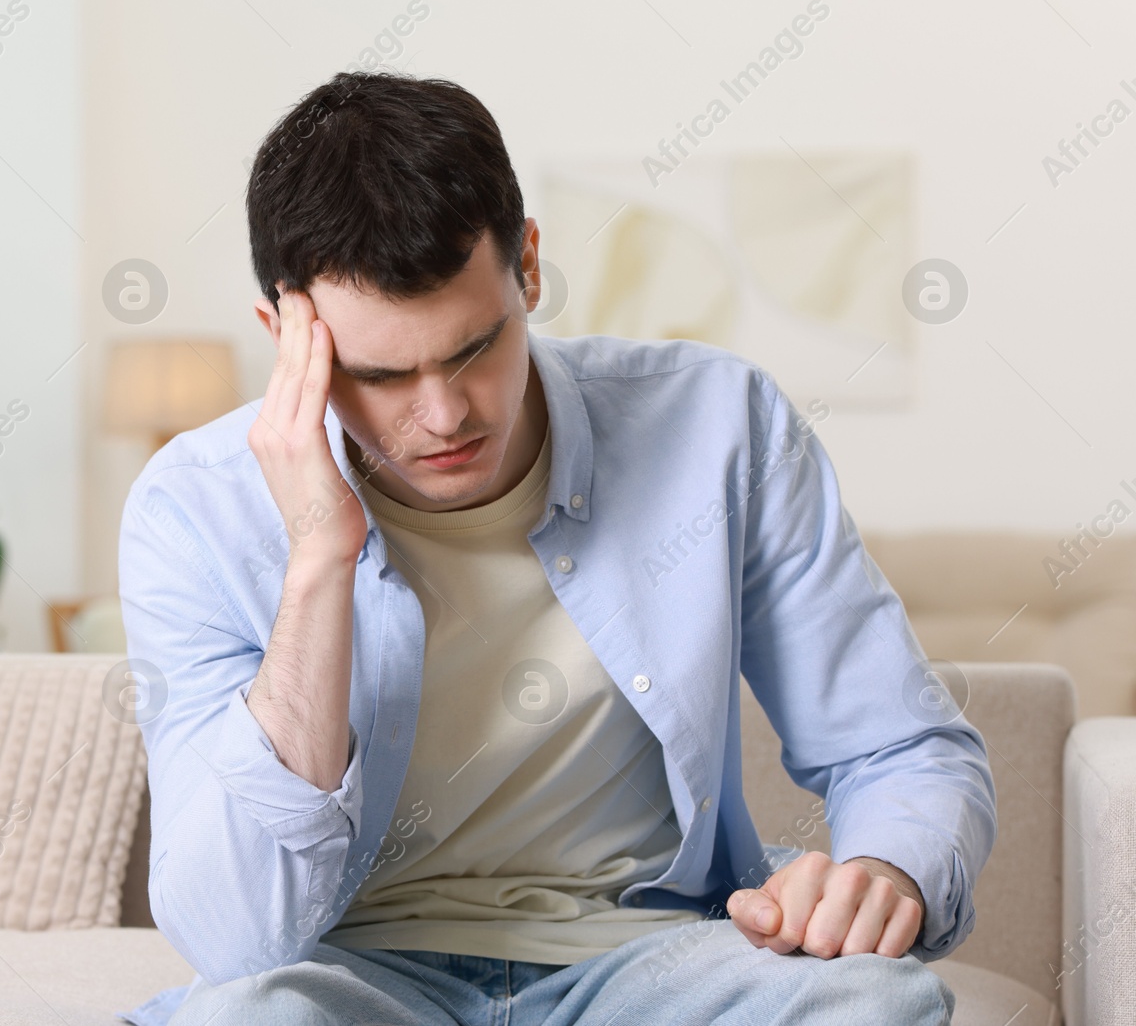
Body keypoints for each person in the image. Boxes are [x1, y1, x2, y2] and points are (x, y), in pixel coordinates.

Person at [115, 70, 995, 1026]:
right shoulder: (191, 508)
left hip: (651, 962)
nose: (444, 415)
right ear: (286, 338)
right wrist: (320, 557)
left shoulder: (720, 426)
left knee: (876, 1002)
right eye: (379, 375)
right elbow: (233, 939)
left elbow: (900, 742)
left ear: (527, 266)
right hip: (358, 979)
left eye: (473, 348)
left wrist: (884, 866)